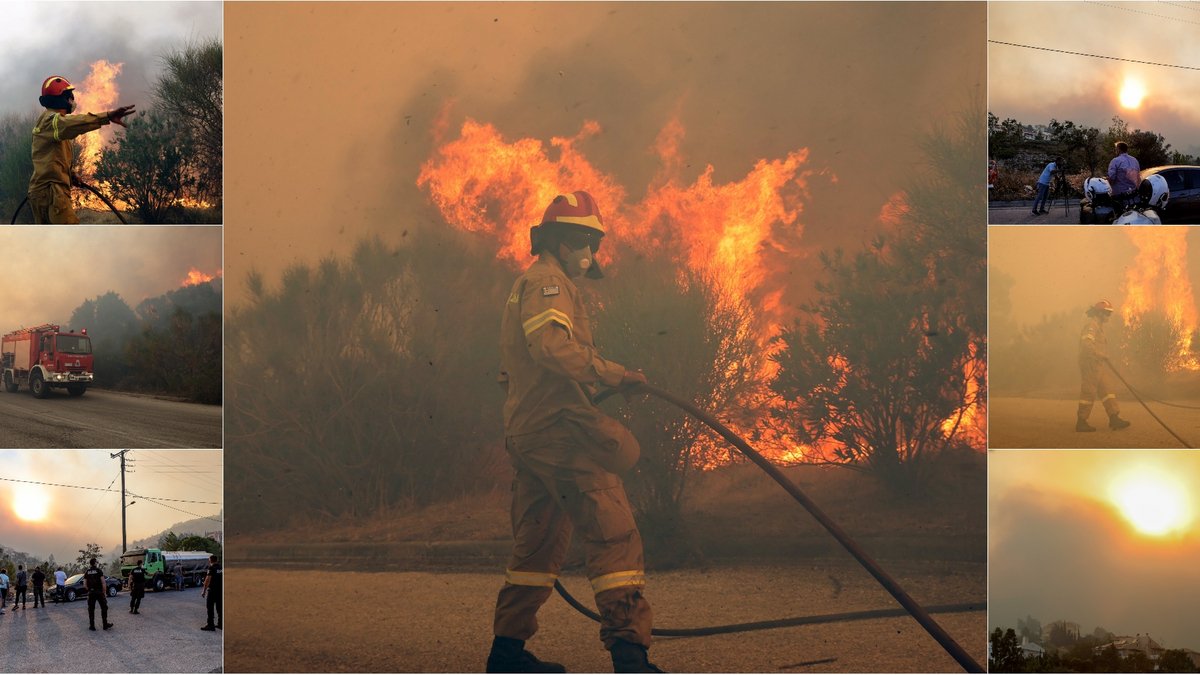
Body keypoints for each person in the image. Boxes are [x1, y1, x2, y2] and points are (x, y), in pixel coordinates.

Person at [486, 191, 662, 674]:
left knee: (537, 546)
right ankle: (630, 658)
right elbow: (550, 348)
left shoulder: (528, 284)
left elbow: (516, 368)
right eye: (585, 241)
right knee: (613, 530)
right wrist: (614, 374)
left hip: (528, 432)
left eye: (594, 243)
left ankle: (507, 658)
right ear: (562, 241)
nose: (590, 253)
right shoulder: (548, 282)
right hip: (557, 431)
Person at [28, 75, 135, 224]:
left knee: (51, 241)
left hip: (47, 191)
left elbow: (54, 157)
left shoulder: (53, 124)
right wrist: (107, 116)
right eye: (69, 95)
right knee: (70, 239)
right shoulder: (52, 121)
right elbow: (76, 123)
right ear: (63, 98)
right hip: (52, 192)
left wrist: (71, 174)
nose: (72, 99)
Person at [1077, 300, 1131, 432]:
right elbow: (1086, 346)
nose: (1108, 316)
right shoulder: (1091, 326)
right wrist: (1101, 354)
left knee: (1108, 391)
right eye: (1107, 313)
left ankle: (1114, 418)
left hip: (1098, 365)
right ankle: (1081, 422)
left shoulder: (1099, 327)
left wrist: (1101, 357)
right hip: (1090, 364)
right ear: (1099, 313)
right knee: (1088, 393)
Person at [83, 557, 112, 631]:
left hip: (91, 593)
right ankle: (105, 625)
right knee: (104, 608)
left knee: (91, 609)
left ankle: (92, 626)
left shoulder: (87, 572)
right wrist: (104, 593)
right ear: (95, 563)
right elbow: (103, 583)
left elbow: (84, 585)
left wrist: (89, 590)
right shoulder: (99, 571)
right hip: (99, 592)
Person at [200, 555, 221, 631]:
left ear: (210, 560)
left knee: (210, 608)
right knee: (220, 607)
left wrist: (204, 591)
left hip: (212, 591)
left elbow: (207, 580)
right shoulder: (221, 567)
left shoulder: (211, 568)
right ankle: (220, 624)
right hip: (220, 591)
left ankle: (210, 625)